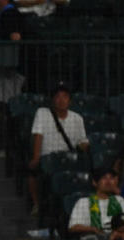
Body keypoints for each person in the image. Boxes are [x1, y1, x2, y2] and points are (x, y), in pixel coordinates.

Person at [28, 84, 90, 214]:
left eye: (65, 97)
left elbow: (82, 141)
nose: (61, 100)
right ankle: (36, 204)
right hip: (48, 157)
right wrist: (36, 157)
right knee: (32, 171)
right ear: (53, 100)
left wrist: (85, 146)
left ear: (70, 101)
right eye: (58, 97)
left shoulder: (77, 118)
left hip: (69, 158)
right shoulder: (42, 113)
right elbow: (38, 135)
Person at [68, 168, 124, 237]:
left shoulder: (119, 200)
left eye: (111, 178)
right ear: (94, 182)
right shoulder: (83, 202)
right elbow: (73, 227)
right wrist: (93, 229)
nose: (108, 182)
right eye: (104, 178)